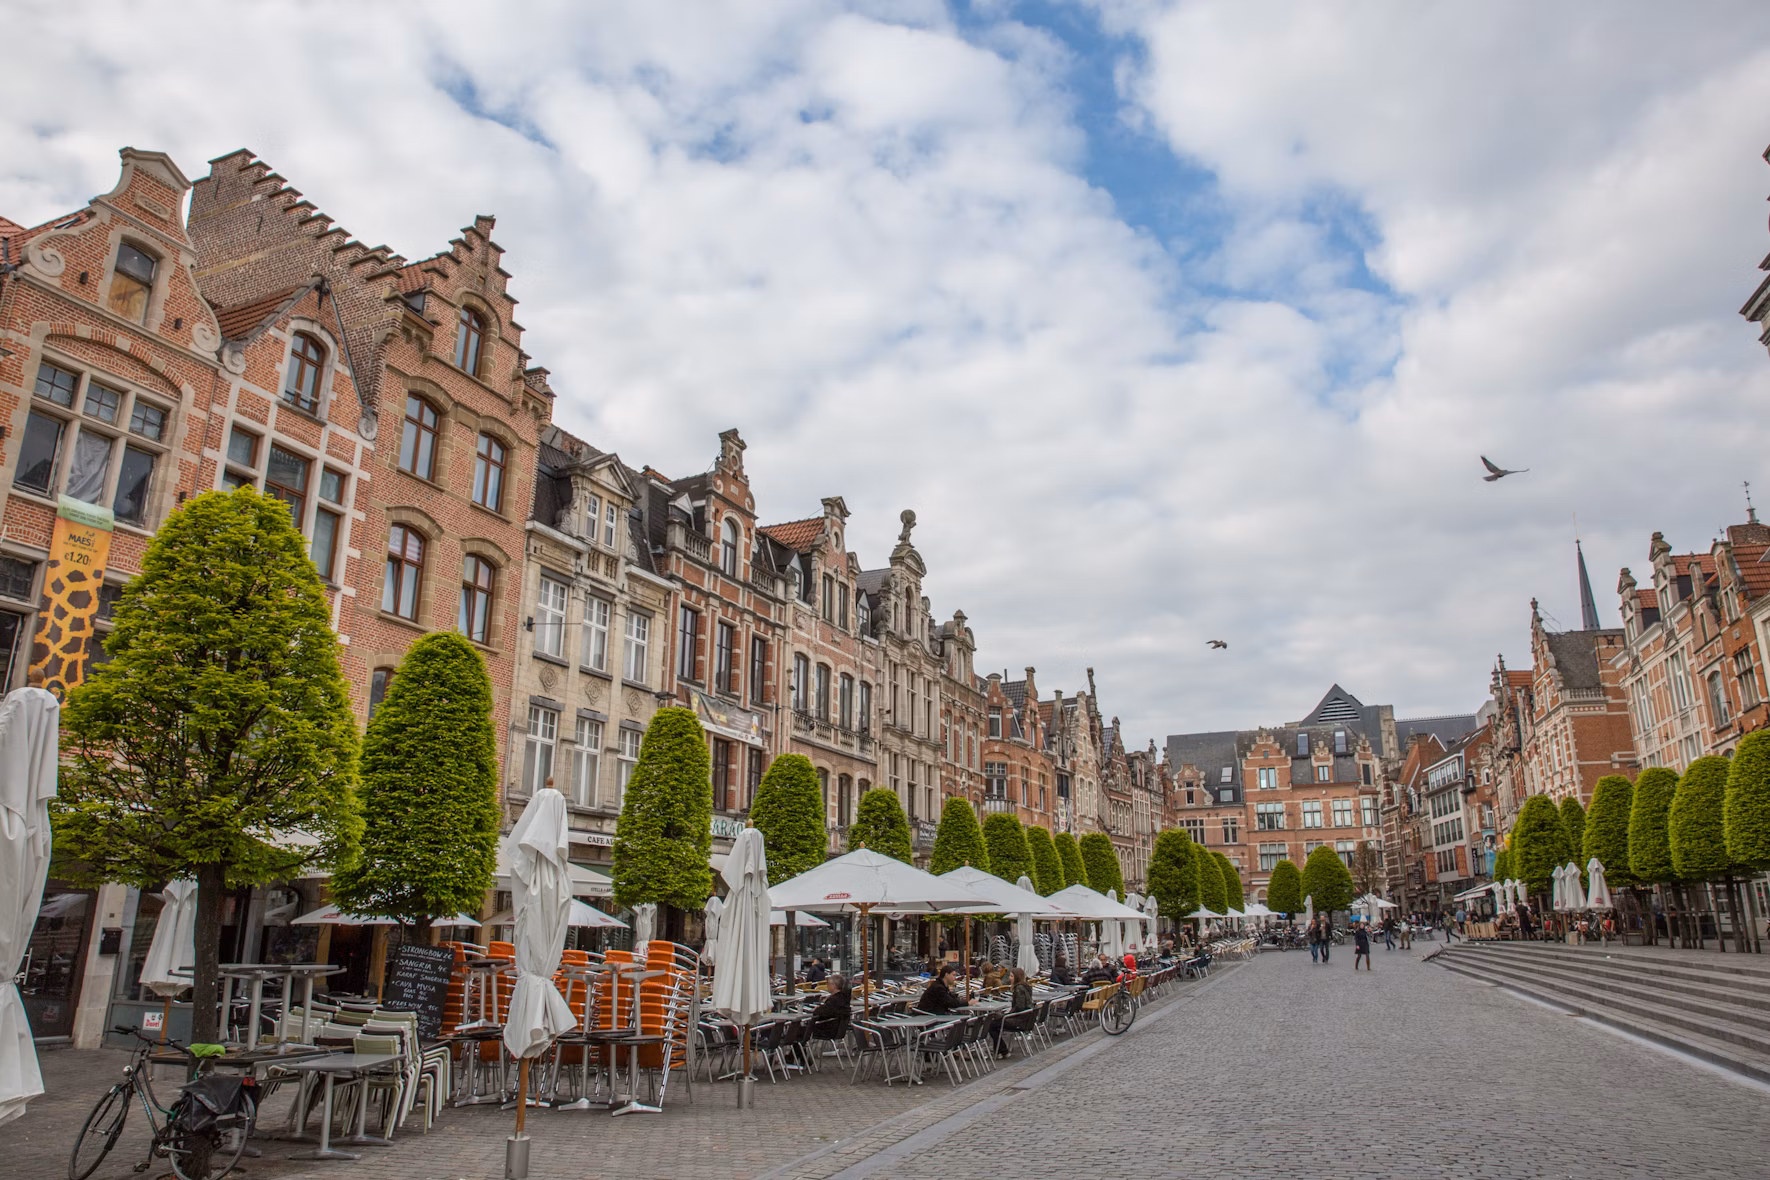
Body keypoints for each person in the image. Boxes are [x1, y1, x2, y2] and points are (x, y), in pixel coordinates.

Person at [808, 972, 851, 1038]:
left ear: (834, 986)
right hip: (838, 1029)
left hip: (827, 1030)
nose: (827, 985)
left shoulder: (834, 1000)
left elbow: (824, 1012)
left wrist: (817, 1009)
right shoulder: (844, 999)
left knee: (804, 1028)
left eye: (828, 983)